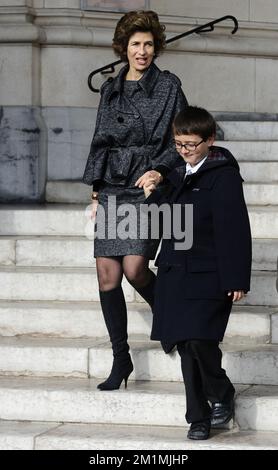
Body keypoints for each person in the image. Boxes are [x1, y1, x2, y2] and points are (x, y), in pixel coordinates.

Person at [82, 10, 188, 391]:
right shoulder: (111, 90)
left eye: (148, 44)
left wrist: (160, 170)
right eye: (135, 44)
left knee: (135, 270)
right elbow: (99, 139)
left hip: (147, 185)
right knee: (107, 275)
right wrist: (96, 189)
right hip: (113, 184)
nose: (142, 51)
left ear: (155, 47)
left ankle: (171, 319)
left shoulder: (168, 86)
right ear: (123, 48)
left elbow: (183, 136)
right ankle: (121, 358)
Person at [143, 106, 252, 440]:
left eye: (191, 144)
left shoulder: (224, 175)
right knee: (186, 346)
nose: (185, 151)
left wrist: (236, 279)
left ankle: (221, 391)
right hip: (176, 272)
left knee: (199, 341)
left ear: (210, 140)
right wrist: (153, 196)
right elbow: (163, 224)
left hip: (210, 274)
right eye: (179, 144)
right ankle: (198, 417)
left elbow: (234, 230)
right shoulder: (175, 174)